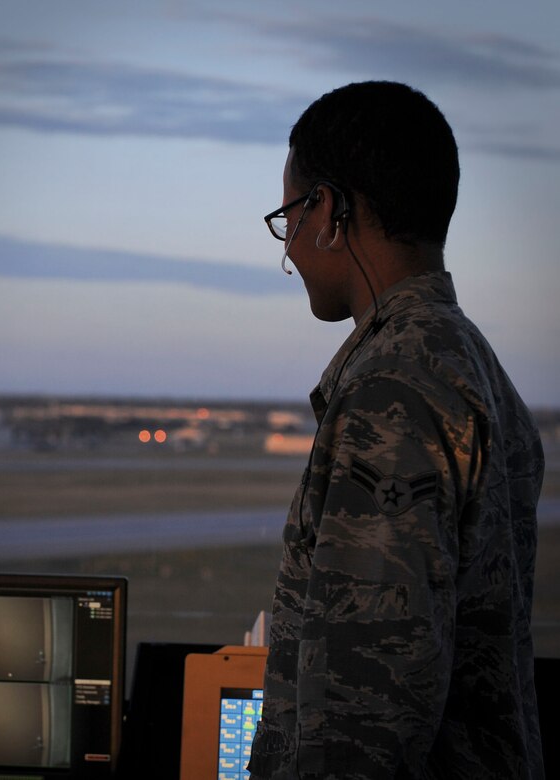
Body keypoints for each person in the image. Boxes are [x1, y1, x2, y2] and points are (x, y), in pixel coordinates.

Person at [248, 81, 545, 779]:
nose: (288, 249)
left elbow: (363, 713)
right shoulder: (466, 361)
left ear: (327, 210)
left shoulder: (389, 390)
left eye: (289, 215)